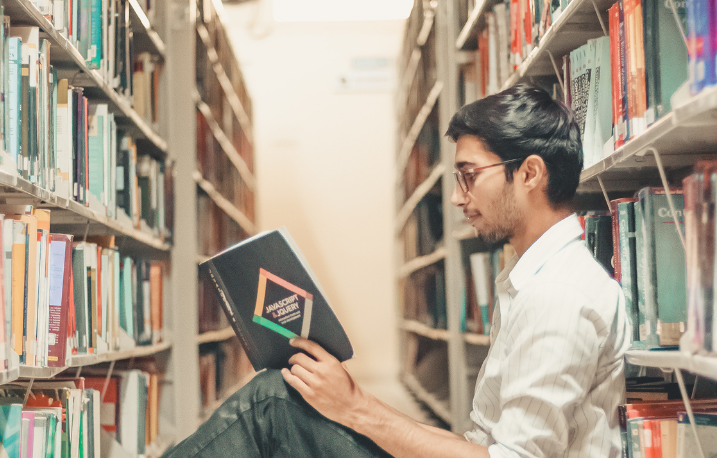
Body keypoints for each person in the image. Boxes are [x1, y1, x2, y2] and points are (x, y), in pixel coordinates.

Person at [163, 84, 631, 458]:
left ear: (529, 174)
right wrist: (353, 407)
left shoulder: (558, 297)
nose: (456, 197)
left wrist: (358, 408)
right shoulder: (539, 281)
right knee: (283, 398)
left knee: (270, 404)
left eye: (469, 175)